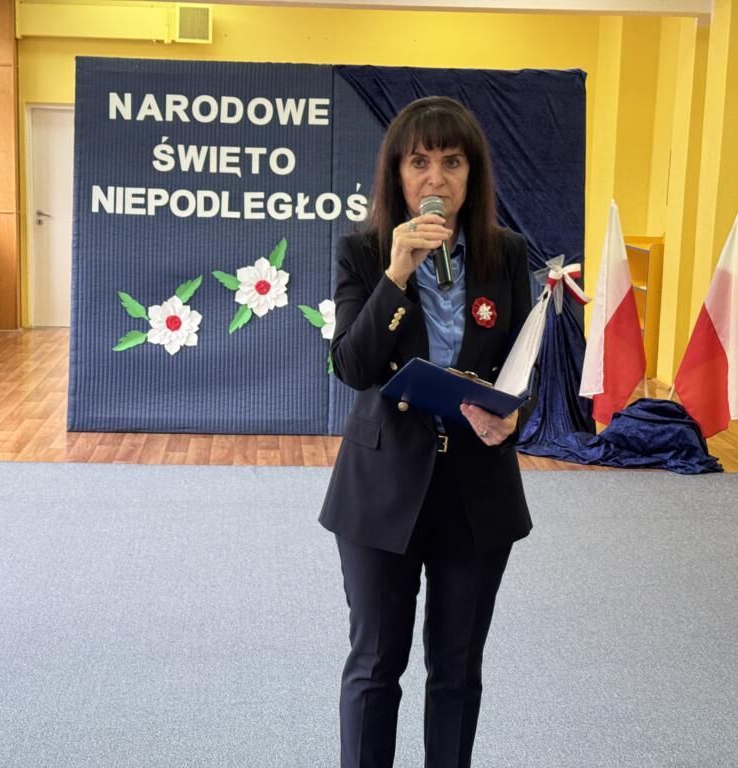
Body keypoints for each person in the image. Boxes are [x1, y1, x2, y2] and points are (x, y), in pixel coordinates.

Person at [319, 96, 533, 768]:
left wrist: (514, 418)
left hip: (477, 490)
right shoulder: (363, 252)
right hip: (382, 488)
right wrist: (397, 272)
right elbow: (353, 367)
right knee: (375, 666)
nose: (435, 178)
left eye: (451, 162)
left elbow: (523, 369)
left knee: (457, 670)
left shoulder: (507, 254)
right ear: (397, 174)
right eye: (419, 162)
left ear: (472, 175)